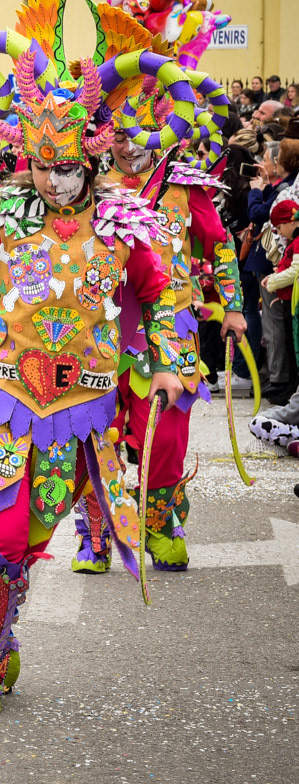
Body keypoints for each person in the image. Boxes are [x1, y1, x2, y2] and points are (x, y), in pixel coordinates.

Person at [0, 4, 181, 715]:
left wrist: (168, 361)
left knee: (36, 528)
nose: (54, 182)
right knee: (0, 530)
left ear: (90, 160)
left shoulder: (122, 227)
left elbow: (159, 294)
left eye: (67, 167)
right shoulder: (2, 219)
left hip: (82, 408)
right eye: (43, 166)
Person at [87, 68, 244, 573]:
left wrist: (233, 306)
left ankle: (158, 526)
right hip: (101, 332)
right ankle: (98, 535)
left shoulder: (182, 186)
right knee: (95, 434)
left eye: (142, 132)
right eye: (119, 134)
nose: (130, 145)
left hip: (172, 330)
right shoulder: (85, 188)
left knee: (168, 437)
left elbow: (220, 244)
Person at [247, 138, 299, 404]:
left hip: (278, 272)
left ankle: (281, 379)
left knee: (278, 327)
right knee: (276, 325)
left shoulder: (289, 189)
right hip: (275, 272)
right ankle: (279, 378)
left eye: (270, 158)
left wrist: (256, 192)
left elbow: (260, 214)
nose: (268, 163)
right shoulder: (282, 186)